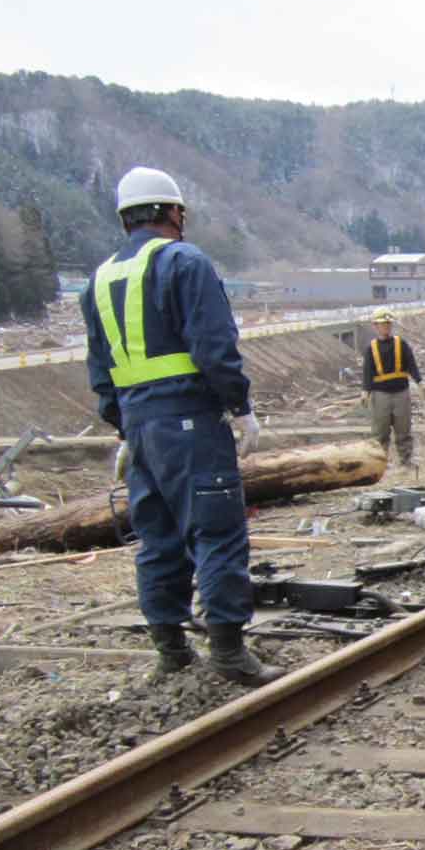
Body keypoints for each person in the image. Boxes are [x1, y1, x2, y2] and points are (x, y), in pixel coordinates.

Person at [82, 167, 282, 686]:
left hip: (141, 428)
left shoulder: (100, 280)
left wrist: (124, 427)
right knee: (215, 530)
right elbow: (214, 348)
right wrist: (239, 406)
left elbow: (100, 370)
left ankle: (170, 650)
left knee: (158, 538)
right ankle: (228, 650)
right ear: (173, 213)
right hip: (191, 422)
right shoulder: (183, 263)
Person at [361, 307, 424, 473]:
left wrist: (420, 383)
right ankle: (381, 465)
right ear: (376, 326)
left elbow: (411, 364)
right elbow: (368, 372)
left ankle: (406, 461)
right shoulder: (371, 348)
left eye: (388, 323)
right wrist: (365, 392)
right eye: (383, 324)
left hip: (401, 393)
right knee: (380, 432)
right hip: (380, 395)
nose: (386, 327)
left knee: (403, 430)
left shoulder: (400, 344)